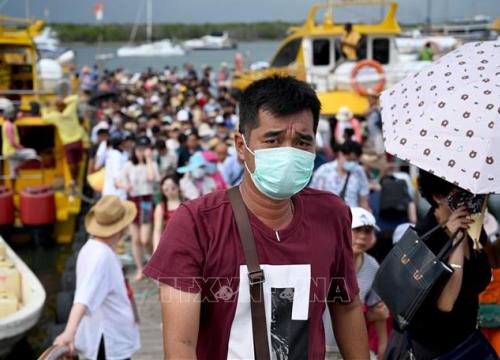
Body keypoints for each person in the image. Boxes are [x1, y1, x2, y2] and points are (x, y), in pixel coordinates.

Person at [144, 76, 369, 359]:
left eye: (302, 141)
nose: (288, 152)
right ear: (241, 146)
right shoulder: (196, 222)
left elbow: (346, 306)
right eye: (272, 140)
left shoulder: (332, 214)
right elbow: (181, 345)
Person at [384, 170, 492, 359]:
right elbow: (445, 304)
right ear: (438, 196)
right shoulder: (422, 240)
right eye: (462, 194)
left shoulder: (473, 228)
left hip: (468, 342)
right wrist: (456, 243)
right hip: (434, 349)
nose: (472, 200)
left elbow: (490, 265)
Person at [53, 195, 140, 359]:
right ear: (122, 228)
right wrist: (69, 333)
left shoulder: (93, 248)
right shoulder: (101, 256)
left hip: (110, 334)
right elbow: (84, 297)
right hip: (109, 339)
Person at [324, 207, 389, 360]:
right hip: (319, 345)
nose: (362, 237)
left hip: (351, 348)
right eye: (357, 230)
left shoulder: (372, 265)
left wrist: (383, 348)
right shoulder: (325, 260)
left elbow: (379, 311)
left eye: (368, 231)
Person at [117, 136, 160, 281]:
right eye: (138, 149)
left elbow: (151, 178)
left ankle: (154, 261)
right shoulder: (129, 165)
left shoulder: (151, 164)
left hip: (146, 200)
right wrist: (125, 186)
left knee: (145, 238)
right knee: (135, 239)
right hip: (133, 200)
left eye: (143, 149)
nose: (140, 152)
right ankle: (141, 268)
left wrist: (148, 159)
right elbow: (117, 180)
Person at [311, 140, 370, 210]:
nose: (352, 163)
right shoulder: (324, 170)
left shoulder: (359, 172)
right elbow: (313, 197)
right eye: (349, 160)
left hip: (352, 214)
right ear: (340, 154)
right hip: (326, 212)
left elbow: (363, 201)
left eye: (355, 161)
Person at [42, 94, 85, 183]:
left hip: (68, 143)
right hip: (78, 141)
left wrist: (45, 107)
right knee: (78, 162)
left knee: (71, 163)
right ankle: (77, 179)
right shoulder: (70, 111)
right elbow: (75, 98)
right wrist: (62, 101)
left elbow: (44, 117)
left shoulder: (55, 116)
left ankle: (73, 180)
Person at [1, 103, 37, 189]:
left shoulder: (6, 123)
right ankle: (18, 167)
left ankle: (13, 190)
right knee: (32, 153)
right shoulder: (9, 126)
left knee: (12, 172)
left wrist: (22, 114)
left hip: (7, 151)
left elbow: (18, 116)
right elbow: (12, 141)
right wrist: (20, 147)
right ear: (11, 116)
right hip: (12, 150)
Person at [152, 174, 182, 251]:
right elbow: (157, 230)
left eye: (172, 186)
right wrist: (156, 250)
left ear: (178, 187)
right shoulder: (161, 206)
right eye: (166, 186)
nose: (169, 189)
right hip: (169, 244)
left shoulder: (187, 203)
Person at [102, 135, 127, 199]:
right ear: (119, 145)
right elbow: (116, 174)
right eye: (123, 143)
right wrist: (124, 186)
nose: (125, 145)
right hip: (115, 192)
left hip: (111, 191)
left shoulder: (113, 153)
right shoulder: (116, 155)